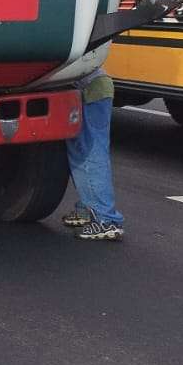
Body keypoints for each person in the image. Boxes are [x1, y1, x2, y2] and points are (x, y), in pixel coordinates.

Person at [61, 66, 124, 240]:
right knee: (81, 154)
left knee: (88, 157)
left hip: (89, 92)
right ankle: (86, 210)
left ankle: (106, 221)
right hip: (97, 87)